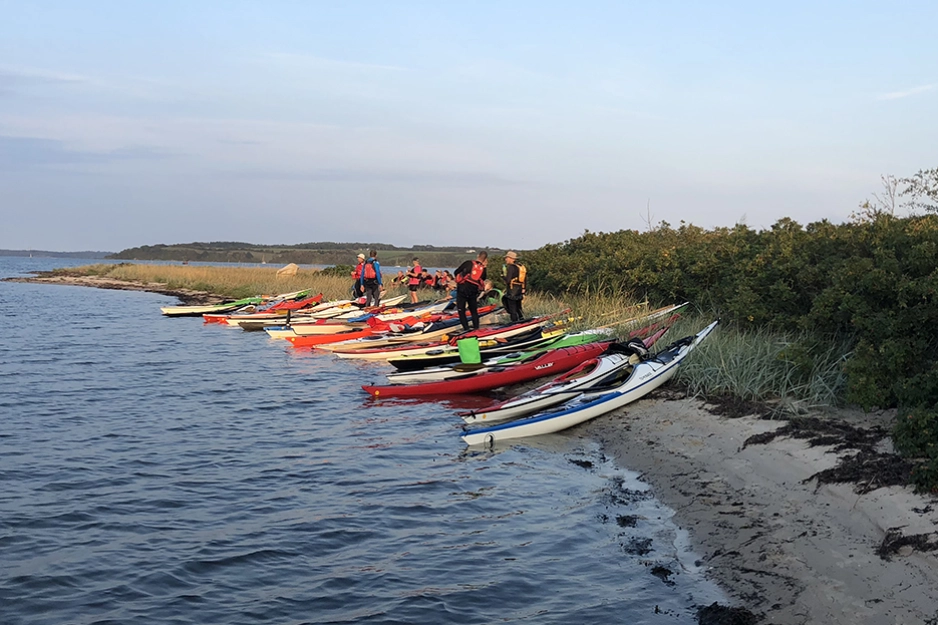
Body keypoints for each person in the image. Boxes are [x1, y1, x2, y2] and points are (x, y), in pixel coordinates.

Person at [453, 251, 488, 331]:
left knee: (461, 310)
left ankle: (466, 328)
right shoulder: (483, 269)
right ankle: (476, 328)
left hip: (462, 289)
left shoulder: (468, 263)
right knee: (473, 310)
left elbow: (456, 272)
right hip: (473, 291)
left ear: (478, 256)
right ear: (485, 259)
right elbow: (483, 279)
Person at [502, 250, 525, 321]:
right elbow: (525, 279)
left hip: (512, 291)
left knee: (512, 309)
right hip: (519, 289)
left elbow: (508, 280)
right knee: (519, 308)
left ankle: (514, 323)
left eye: (506, 258)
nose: (505, 259)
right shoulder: (520, 267)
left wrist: (503, 276)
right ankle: (522, 320)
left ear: (511, 258)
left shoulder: (511, 267)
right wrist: (524, 289)